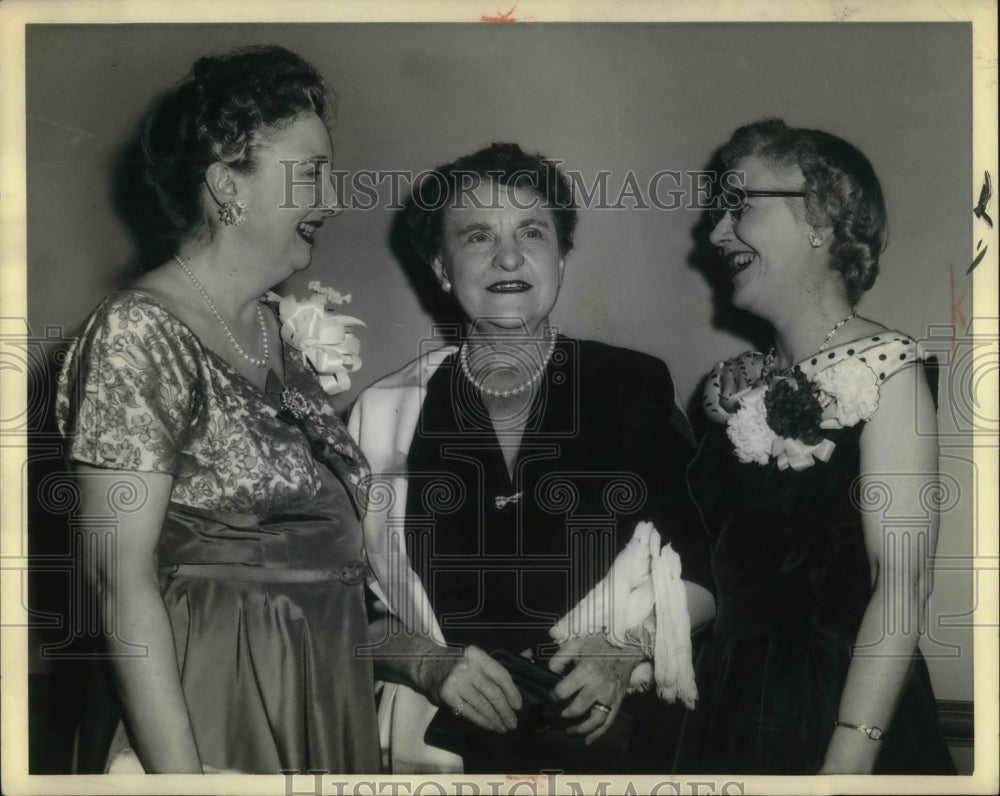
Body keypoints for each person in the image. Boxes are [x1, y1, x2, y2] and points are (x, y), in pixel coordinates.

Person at [55, 45, 380, 774]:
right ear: (227, 185)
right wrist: (181, 780)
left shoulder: (273, 332)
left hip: (319, 693)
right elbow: (119, 583)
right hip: (211, 709)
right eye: (311, 174)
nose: (330, 201)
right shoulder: (135, 331)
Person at [349, 143, 716, 774]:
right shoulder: (384, 411)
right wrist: (424, 662)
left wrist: (627, 647)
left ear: (561, 255)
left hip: (610, 742)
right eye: (476, 236)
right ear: (441, 267)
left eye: (531, 231)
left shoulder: (632, 386)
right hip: (438, 747)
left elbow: (714, 565)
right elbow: (333, 603)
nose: (509, 257)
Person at [675, 119, 955, 774]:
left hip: (835, 715)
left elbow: (902, 583)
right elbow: (715, 576)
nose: (715, 233)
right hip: (727, 708)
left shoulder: (891, 372)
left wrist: (846, 764)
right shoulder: (730, 395)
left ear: (821, 218)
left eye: (740, 206)